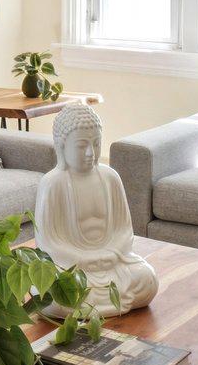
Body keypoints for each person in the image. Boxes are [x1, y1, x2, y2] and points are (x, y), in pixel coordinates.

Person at [34, 105, 157, 318]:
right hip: (72, 266)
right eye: (82, 146)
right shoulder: (53, 183)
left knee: (147, 279)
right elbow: (48, 243)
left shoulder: (110, 178)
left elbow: (124, 231)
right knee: (48, 293)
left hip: (112, 261)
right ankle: (106, 302)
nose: (91, 152)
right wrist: (83, 259)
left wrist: (111, 253)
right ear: (62, 146)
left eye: (96, 143)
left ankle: (90, 307)